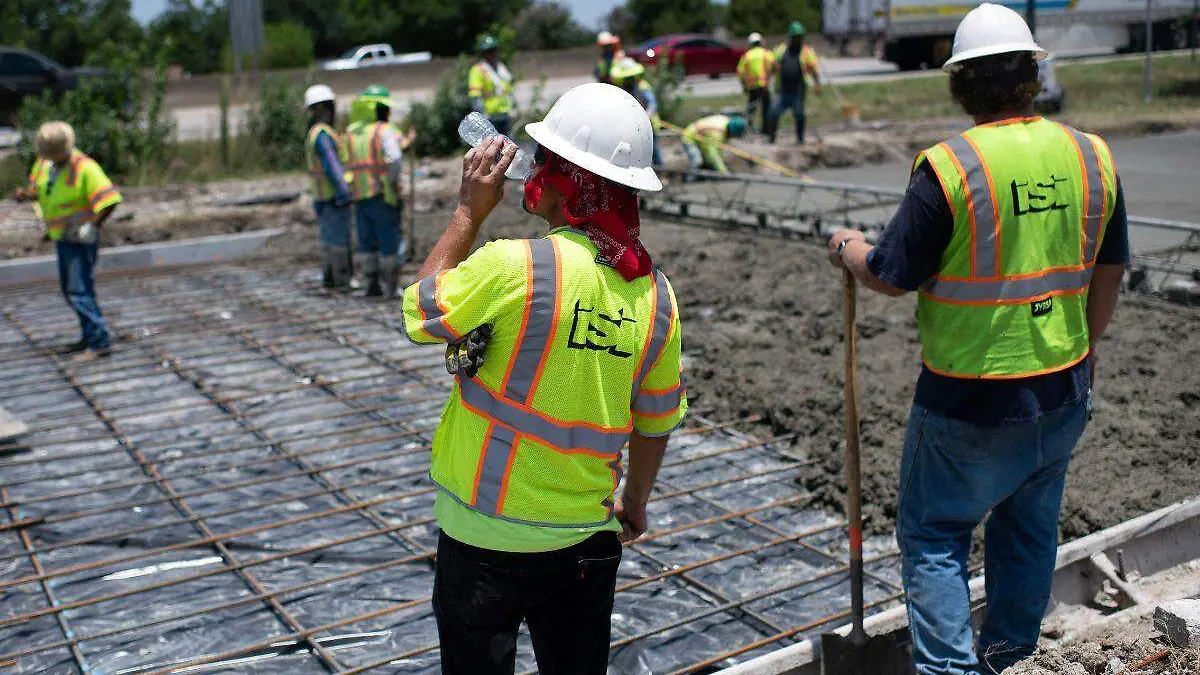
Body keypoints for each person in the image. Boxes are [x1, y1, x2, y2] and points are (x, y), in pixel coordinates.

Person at [826, 5, 1127, 674]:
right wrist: (1084, 348)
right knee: (1027, 526)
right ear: (1031, 75)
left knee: (933, 535)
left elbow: (891, 273)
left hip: (967, 404)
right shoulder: (1090, 154)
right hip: (1063, 390)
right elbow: (1110, 270)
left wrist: (847, 247)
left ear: (960, 85)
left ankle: (950, 670)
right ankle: (1010, 656)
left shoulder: (952, 167)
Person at [401, 83, 685, 675]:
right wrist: (634, 504)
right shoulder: (655, 296)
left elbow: (421, 311)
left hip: (482, 538)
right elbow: (656, 420)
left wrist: (467, 213)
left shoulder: (515, 265)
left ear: (565, 180)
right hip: (585, 543)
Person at [11, 122, 122, 361]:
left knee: (78, 290)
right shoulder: (44, 164)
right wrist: (26, 195)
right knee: (74, 289)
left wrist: (92, 225)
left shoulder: (84, 168)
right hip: (62, 237)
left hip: (79, 239)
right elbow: (41, 189)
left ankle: (99, 342)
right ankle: (89, 337)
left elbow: (111, 198)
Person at [344, 85, 405, 298]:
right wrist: (394, 180)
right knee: (389, 240)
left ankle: (370, 285)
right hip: (383, 195)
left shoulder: (353, 132)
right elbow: (394, 158)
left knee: (367, 241)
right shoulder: (384, 131)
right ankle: (390, 288)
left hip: (360, 196)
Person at [304, 84, 355, 290]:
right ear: (327, 108)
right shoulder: (323, 135)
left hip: (321, 196)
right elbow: (332, 166)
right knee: (338, 241)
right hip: (333, 197)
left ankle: (329, 278)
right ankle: (341, 280)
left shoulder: (313, 133)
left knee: (328, 239)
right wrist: (344, 191)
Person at [767, 22, 822, 145]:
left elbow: (814, 69)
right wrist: (768, 76)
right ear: (790, 37)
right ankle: (771, 138)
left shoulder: (806, 52)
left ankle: (800, 139)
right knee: (773, 112)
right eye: (795, 36)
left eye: (799, 36)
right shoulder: (781, 50)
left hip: (798, 90)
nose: (797, 39)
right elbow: (771, 66)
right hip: (782, 89)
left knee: (799, 114)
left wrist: (817, 85)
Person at [609, 57, 663, 166]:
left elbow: (653, 104)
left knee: (653, 150)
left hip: (650, 124)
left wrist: (646, 116)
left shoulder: (642, 87)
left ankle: (661, 171)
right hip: (633, 127)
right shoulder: (622, 90)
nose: (628, 80)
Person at [468, 35, 515, 136]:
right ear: (483, 53)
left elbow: (508, 91)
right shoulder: (478, 70)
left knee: (508, 146)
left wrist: (512, 108)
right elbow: (475, 95)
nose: (492, 54)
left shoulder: (502, 69)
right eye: (488, 51)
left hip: (504, 115)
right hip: (489, 117)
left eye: (494, 50)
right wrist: (481, 116)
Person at [736, 32, 776, 133]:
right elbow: (774, 65)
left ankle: (748, 127)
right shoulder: (765, 53)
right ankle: (766, 129)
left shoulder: (746, 56)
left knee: (751, 108)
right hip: (763, 85)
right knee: (766, 108)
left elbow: (740, 72)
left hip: (751, 86)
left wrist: (744, 86)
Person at [682, 114, 747, 174]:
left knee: (708, 161)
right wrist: (723, 171)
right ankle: (690, 179)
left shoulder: (726, 121)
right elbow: (713, 154)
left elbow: (717, 150)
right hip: (690, 137)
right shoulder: (717, 134)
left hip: (701, 136)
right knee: (697, 160)